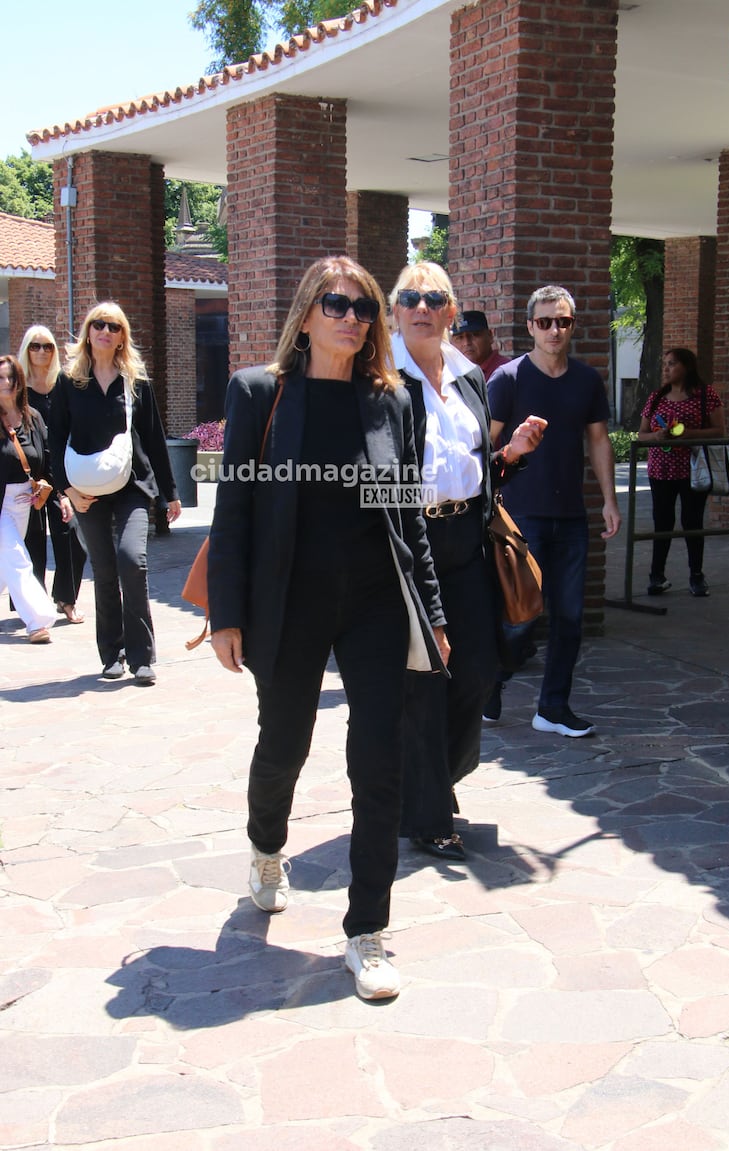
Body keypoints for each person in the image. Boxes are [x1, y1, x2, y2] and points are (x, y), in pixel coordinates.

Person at [207, 256, 450, 1002]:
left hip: (375, 601)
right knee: (284, 743)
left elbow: (406, 517)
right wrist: (227, 612)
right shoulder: (261, 393)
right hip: (290, 601)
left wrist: (433, 613)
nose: (353, 319)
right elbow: (236, 509)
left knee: (378, 763)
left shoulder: (393, 401)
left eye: (364, 308)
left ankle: (366, 930)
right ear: (307, 313)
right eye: (338, 305)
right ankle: (266, 847)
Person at [389, 263, 545, 860]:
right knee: (423, 683)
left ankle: (428, 782)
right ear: (396, 312)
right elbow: (380, 480)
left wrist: (511, 454)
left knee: (480, 670)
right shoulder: (383, 382)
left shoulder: (470, 379)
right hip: (410, 546)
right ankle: (428, 814)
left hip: (469, 545)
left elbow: (470, 471)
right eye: (409, 298)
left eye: (434, 298)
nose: (422, 307)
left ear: (452, 312)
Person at [488, 285, 621, 737]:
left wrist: (609, 499)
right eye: (545, 321)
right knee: (520, 617)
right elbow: (485, 447)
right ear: (530, 326)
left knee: (569, 616)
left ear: (572, 326)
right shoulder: (508, 379)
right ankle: (491, 679)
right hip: (520, 516)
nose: (554, 330)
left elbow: (599, 440)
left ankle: (553, 708)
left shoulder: (586, 379)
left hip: (571, 517)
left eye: (562, 321)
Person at [48, 302, 181, 685]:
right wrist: (67, 489)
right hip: (87, 490)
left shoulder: (136, 382)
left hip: (132, 485)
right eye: (99, 325)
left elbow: (155, 439)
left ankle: (142, 657)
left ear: (123, 336)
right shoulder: (69, 382)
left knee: (131, 560)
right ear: (88, 332)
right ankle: (112, 653)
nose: (106, 331)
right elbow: (55, 438)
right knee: (104, 570)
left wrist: (169, 494)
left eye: (114, 326)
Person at [637, 347, 724, 598]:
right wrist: (656, 435)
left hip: (693, 470)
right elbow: (641, 434)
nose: (666, 368)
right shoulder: (656, 397)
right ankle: (656, 576)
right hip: (660, 471)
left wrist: (689, 434)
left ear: (686, 366)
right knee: (662, 523)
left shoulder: (706, 395)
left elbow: (719, 430)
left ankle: (696, 576)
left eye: (672, 363)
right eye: (665, 363)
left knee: (692, 522)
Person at [17, 325, 87, 624]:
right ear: (27, 350)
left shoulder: (63, 384)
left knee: (71, 536)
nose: (42, 351)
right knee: (31, 540)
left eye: (47, 346)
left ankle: (65, 598)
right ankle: (34, 605)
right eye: (35, 346)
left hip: (59, 472)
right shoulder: (18, 386)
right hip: (27, 474)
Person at [0, 355, 58, 643]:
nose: (6, 383)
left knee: (5, 563)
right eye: (1, 378)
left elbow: (46, 460)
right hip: (1, 504)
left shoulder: (33, 418)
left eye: (11, 377)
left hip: (26, 502)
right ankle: (38, 621)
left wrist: (45, 485)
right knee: (18, 559)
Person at [451, 309, 511, 380]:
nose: (466, 343)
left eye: (475, 335)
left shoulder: (506, 371)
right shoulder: (451, 374)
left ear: (490, 336)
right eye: (460, 338)